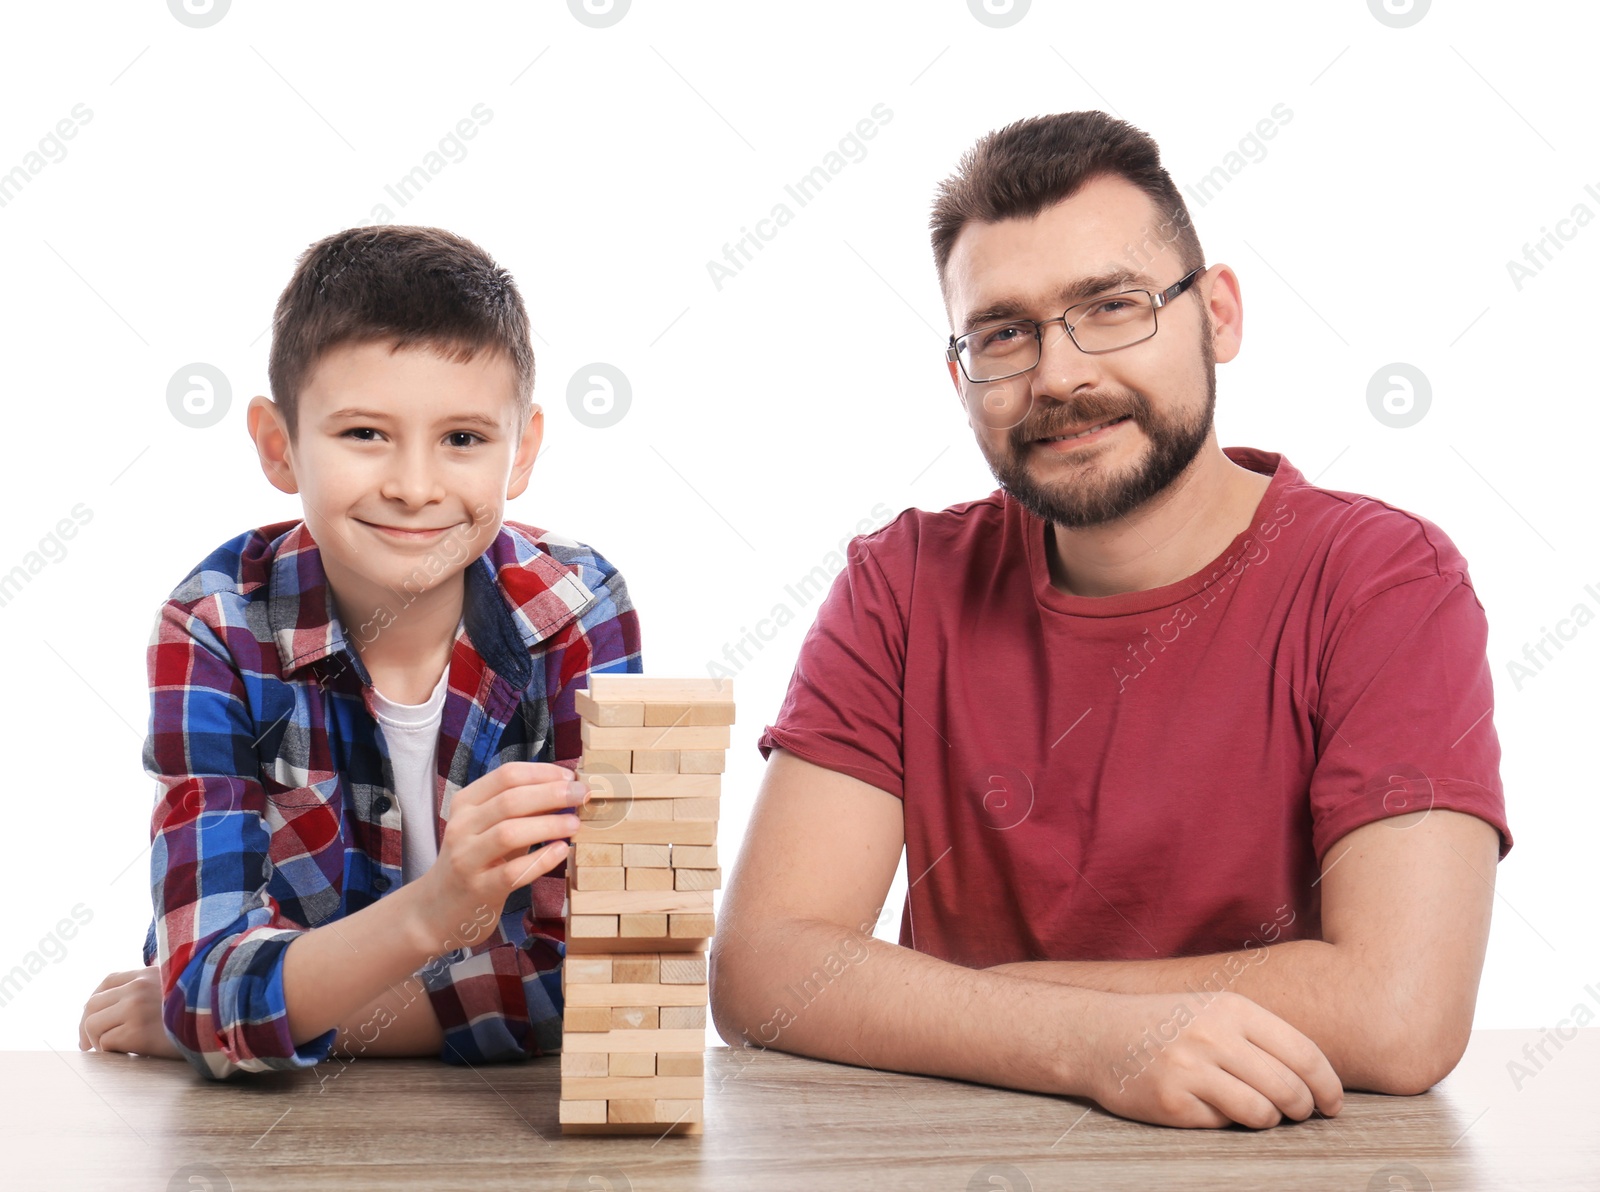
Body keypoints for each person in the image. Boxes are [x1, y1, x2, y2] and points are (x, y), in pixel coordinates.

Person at [710, 111, 1512, 1130]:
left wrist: (934, 1002)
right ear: (962, 379)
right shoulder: (901, 582)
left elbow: (1400, 1012)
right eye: (1005, 333)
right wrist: (1094, 1043)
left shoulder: (1386, 581)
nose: (1060, 375)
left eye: (1111, 305)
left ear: (1216, 314)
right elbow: (766, 969)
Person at [77, 226, 635, 1078]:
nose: (414, 486)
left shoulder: (576, 609)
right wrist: (435, 912)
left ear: (520, 451)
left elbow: (594, 986)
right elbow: (208, 991)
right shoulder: (215, 627)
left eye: (463, 439)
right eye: (365, 434)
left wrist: (253, 1016)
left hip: (496, 1135)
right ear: (278, 445)